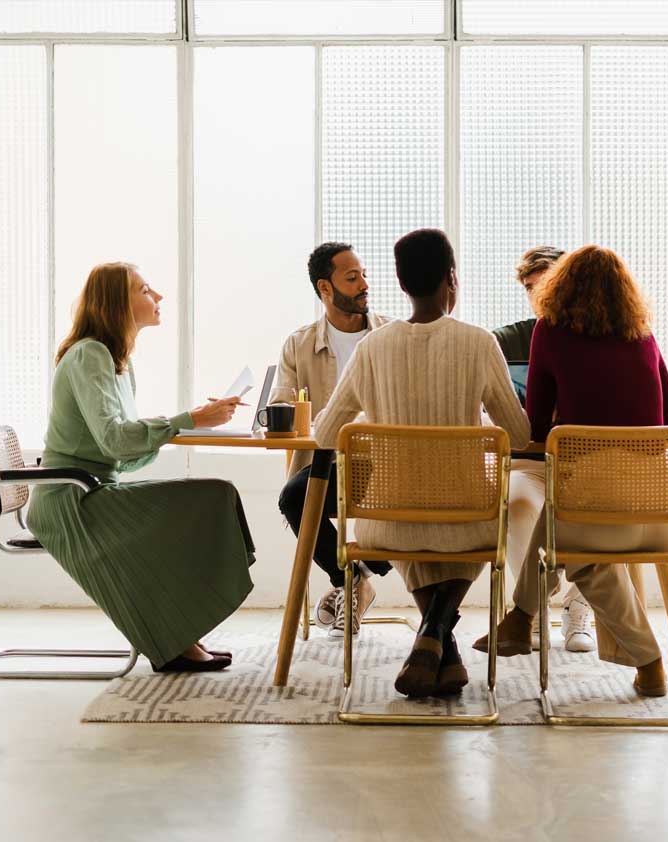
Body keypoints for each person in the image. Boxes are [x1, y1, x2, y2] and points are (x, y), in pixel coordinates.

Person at [314, 229, 531, 699]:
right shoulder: (478, 343)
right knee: (479, 518)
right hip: (468, 522)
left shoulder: (372, 347)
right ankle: (435, 630)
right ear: (451, 278)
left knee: (418, 520)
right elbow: (517, 435)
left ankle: (435, 645)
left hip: (386, 524)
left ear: (400, 281)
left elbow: (327, 434)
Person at [473, 245, 668, 698]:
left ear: (560, 286)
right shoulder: (643, 334)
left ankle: (642, 659)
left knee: (574, 544)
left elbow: (534, 424)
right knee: (565, 524)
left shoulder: (550, 333)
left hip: (601, 511)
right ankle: (518, 620)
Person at [26, 262, 255, 673]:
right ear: (118, 301)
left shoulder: (117, 363)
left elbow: (122, 452)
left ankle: (178, 632)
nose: (159, 296)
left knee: (212, 495)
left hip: (90, 491)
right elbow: (114, 440)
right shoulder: (90, 354)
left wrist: (188, 425)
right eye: (146, 289)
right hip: (71, 499)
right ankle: (176, 636)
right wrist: (187, 420)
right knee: (211, 497)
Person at [273, 243, 393, 638]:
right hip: (327, 464)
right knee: (293, 497)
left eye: (363, 275)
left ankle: (352, 581)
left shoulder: (392, 335)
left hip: (387, 464)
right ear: (326, 287)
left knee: (418, 502)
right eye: (352, 277)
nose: (364, 284)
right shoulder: (299, 343)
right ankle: (350, 582)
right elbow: (282, 406)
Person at [492, 246, 596, 654]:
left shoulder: (596, 335)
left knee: (606, 503)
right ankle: (530, 607)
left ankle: (578, 606)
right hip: (528, 461)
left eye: (549, 285)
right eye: (532, 288)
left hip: (583, 462)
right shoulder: (505, 340)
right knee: (517, 503)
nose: (540, 296)